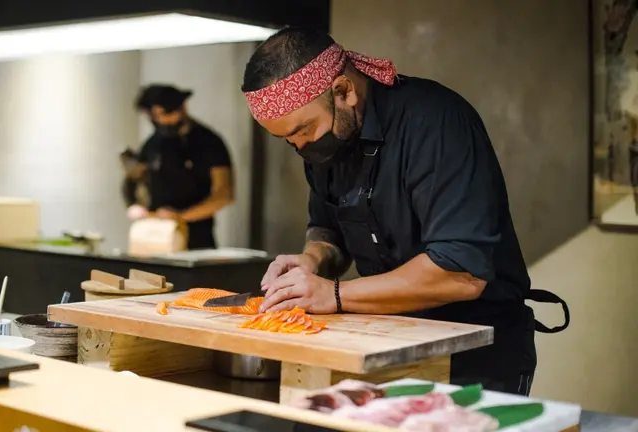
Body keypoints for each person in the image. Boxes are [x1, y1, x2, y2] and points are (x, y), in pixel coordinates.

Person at [242, 27, 569, 395]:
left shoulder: (435, 121)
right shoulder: (325, 144)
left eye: (304, 130)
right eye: (287, 139)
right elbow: (327, 229)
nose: (300, 146)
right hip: (385, 341)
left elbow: (459, 271)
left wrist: (332, 294)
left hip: (472, 353)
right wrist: (311, 261)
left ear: (344, 91)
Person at [125, 84, 234, 249]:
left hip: (196, 238)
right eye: (156, 116)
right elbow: (133, 178)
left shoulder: (208, 142)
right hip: (156, 236)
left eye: (165, 114)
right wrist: (134, 205)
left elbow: (224, 195)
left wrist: (181, 217)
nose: (162, 120)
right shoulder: (154, 143)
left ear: (182, 107)